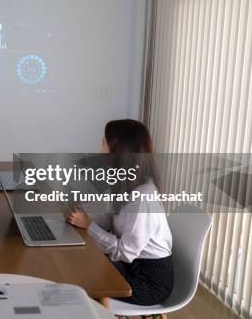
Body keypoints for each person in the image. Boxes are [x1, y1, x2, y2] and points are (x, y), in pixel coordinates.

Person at [65, 119, 173, 306]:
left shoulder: (143, 197)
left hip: (148, 281)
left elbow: (127, 252)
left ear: (119, 153)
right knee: (76, 265)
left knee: (82, 279)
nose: (100, 152)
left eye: (103, 145)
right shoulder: (124, 182)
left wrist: (89, 226)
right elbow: (108, 219)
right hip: (130, 266)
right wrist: (84, 219)